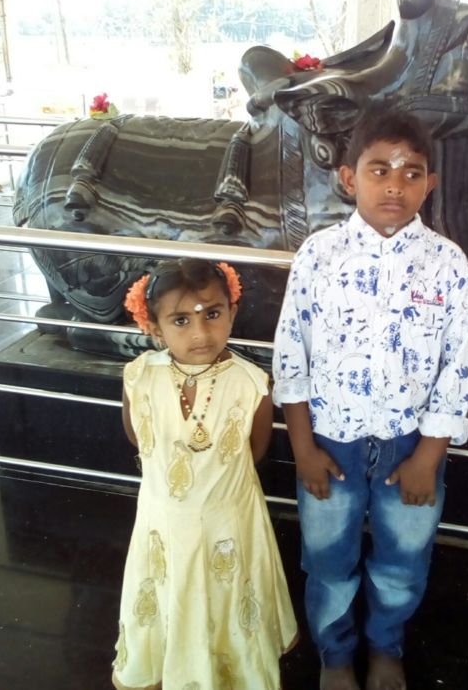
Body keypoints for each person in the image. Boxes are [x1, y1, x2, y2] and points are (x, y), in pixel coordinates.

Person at [272, 112, 468, 690]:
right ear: (349, 178)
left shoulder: (448, 265)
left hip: (410, 446)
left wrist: (428, 457)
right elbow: (291, 355)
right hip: (329, 442)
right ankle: (335, 654)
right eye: (379, 170)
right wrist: (303, 448)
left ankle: (387, 646)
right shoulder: (319, 255)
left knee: (404, 557)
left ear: (429, 184)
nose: (395, 185)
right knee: (327, 557)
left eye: (411, 173)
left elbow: (459, 367)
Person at [112, 258, 298, 690]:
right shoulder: (140, 377)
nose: (200, 333)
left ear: (232, 311)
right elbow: (138, 435)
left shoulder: (251, 382)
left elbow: (254, 450)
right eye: (181, 320)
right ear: (154, 327)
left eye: (212, 314)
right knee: (170, 589)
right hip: (163, 520)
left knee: (226, 593)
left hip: (227, 519)